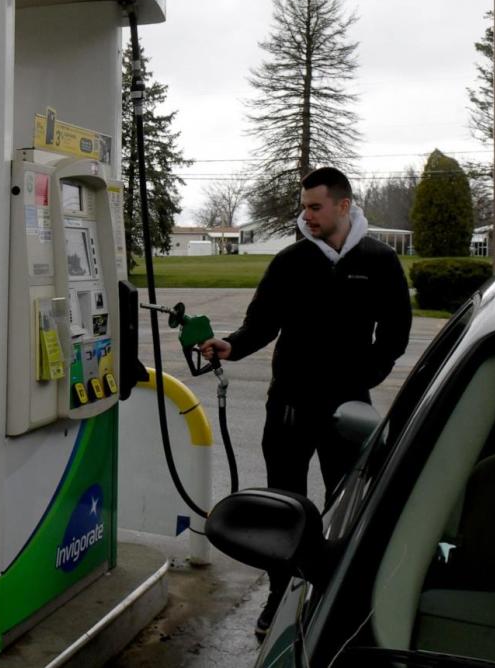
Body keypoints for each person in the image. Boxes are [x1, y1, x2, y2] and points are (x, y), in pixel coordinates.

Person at [199, 167, 412, 639]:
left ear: (343, 205)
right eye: (304, 207)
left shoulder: (378, 261)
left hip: (346, 411)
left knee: (345, 500)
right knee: (285, 503)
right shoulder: (291, 261)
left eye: (315, 207)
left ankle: (335, 592)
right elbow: (263, 323)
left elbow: (395, 333)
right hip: (290, 406)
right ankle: (281, 591)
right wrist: (231, 345)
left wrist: (362, 379)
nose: (306, 215)